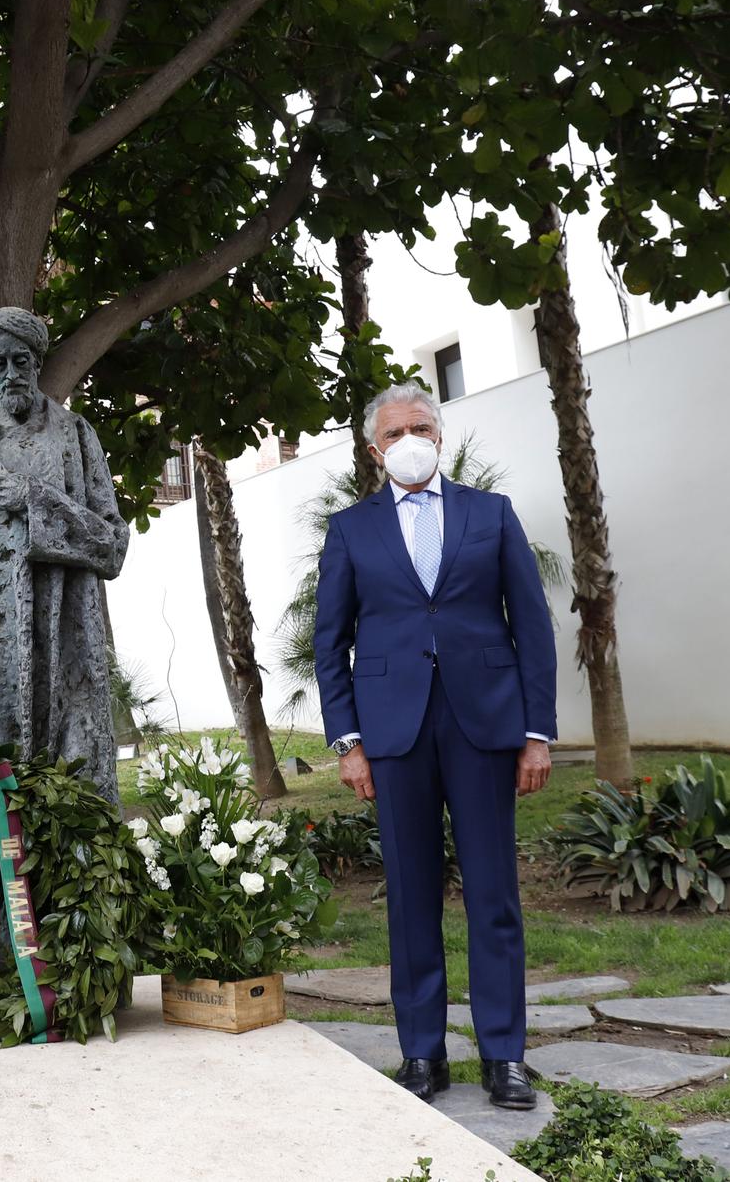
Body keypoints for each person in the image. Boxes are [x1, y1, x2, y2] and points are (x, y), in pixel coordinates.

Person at [312, 382, 556, 1111]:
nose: (409, 438)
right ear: (374, 448)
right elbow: (332, 644)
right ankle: (422, 1051)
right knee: (411, 898)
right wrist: (348, 741)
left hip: (485, 723)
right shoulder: (351, 529)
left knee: (494, 895)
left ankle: (504, 1055)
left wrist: (536, 731)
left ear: (440, 435)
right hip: (393, 732)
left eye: (421, 425)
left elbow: (533, 626)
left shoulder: (492, 514)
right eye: (394, 432)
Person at [0, 307, 129, 802]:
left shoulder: (76, 435)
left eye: (20, 361)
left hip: (66, 633)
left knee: (77, 776)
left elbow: (113, 544)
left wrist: (34, 502)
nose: (10, 374)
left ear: (37, 362)